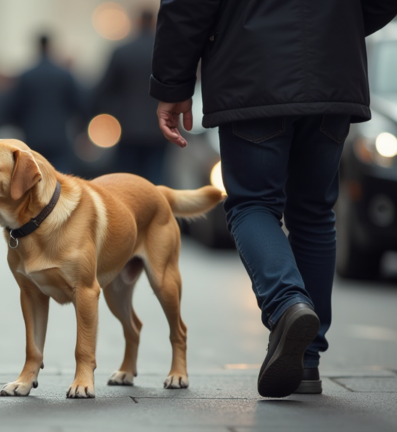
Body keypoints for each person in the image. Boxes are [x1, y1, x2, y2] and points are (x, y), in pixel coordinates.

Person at [151, 0, 397, 398]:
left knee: (252, 204)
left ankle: (286, 305)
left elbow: (187, 6)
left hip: (250, 73)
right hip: (334, 72)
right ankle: (307, 363)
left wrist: (172, 85)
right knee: (315, 212)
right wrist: (338, 26)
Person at [94, 10, 167, 185]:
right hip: (159, 127)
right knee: (155, 178)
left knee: (126, 180)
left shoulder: (122, 52)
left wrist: (112, 113)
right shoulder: (166, 52)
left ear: (137, 23)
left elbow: (103, 91)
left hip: (127, 128)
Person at [5, 34, 86, 173]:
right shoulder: (64, 75)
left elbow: (12, 107)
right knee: (60, 179)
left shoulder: (26, 76)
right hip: (59, 137)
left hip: (32, 137)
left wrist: (22, 124)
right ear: (51, 47)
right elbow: (79, 105)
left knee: (35, 178)